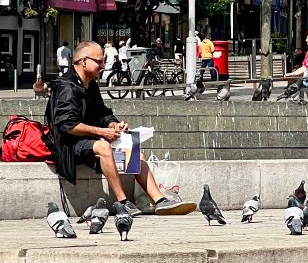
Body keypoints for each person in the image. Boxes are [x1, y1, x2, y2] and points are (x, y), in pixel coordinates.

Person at [43, 41, 195, 215]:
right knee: (103, 146)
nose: (103, 65)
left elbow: (102, 112)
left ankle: (160, 201)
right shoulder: (66, 87)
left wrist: (113, 125)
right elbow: (67, 125)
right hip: (67, 146)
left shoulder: (90, 84)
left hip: (88, 141)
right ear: (83, 61)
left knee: (135, 152)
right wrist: (102, 132)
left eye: (103, 60)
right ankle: (123, 202)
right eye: (99, 61)